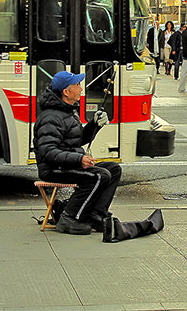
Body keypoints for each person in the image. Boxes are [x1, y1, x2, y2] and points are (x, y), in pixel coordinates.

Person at [33, 71, 121, 235]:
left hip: (67, 163)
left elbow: (76, 140)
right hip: (54, 169)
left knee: (114, 169)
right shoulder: (51, 117)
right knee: (99, 176)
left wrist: (94, 124)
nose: (81, 89)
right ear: (66, 92)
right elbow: (48, 153)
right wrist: (79, 159)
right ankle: (70, 217)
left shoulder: (66, 111)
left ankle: (96, 214)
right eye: (77, 85)